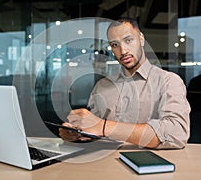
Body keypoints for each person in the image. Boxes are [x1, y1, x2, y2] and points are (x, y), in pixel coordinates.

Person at [59, 18, 191, 149]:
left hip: (148, 164)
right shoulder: (102, 86)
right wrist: (76, 134)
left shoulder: (169, 82)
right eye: (115, 45)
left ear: (141, 39)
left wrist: (104, 127)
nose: (123, 51)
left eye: (128, 40)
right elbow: (92, 132)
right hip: (103, 163)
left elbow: (176, 133)